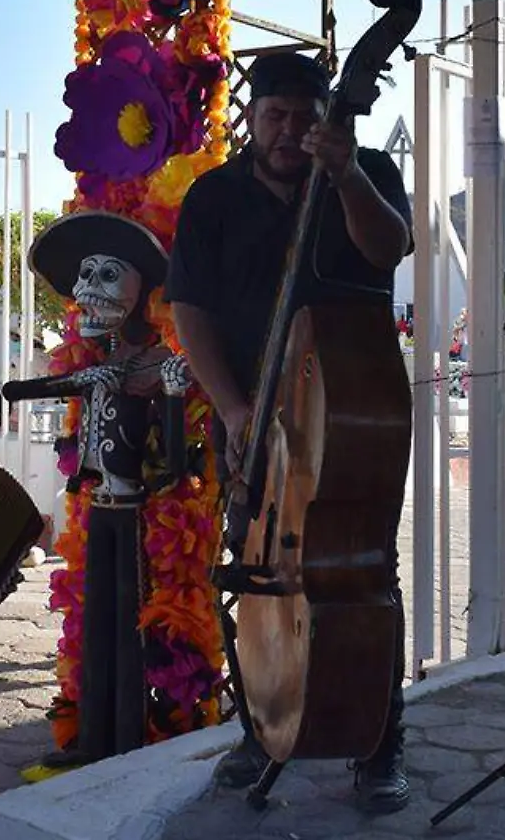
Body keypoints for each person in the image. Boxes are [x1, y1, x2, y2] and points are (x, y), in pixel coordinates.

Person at [166, 51, 414, 814]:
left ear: (325, 120)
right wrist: (235, 409)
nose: (288, 131)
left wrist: (342, 177)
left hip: (340, 418)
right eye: (275, 115)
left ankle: (378, 741)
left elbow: (388, 248)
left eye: (305, 118)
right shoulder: (214, 197)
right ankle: (263, 724)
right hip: (250, 410)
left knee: (367, 570)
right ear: (252, 116)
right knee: (260, 570)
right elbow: (191, 312)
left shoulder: (364, 169)